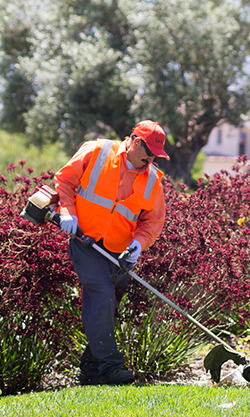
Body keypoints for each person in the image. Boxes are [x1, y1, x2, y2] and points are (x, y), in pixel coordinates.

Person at [54, 120, 169, 385]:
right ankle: (110, 367)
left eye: (155, 155)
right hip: (85, 241)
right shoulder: (96, 151)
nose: (150, 159)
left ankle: (91, 371)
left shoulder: (153, 179)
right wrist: (66, 211)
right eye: (148, 152)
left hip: (119, 252)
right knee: (101, 295)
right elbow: (65, 180)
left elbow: (153, 221)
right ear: (134, 141)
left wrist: (138, 245)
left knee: (106, 306)